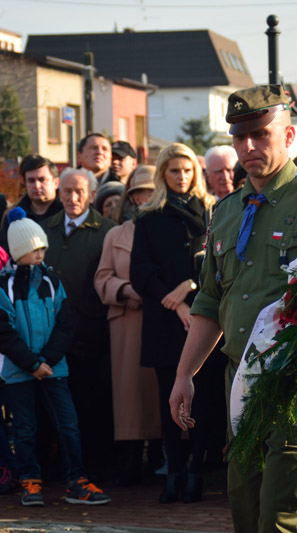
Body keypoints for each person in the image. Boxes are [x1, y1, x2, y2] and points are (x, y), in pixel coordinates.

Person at [168, 85, 297, 532]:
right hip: (241, 386)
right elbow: (211, 301)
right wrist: (184, 375)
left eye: (260, 134)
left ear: (288, 135)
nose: (248, 147)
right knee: (246, 514)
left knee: (285, 516)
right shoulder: (227, 211)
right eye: (239, 137)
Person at [0, 208, 110, 506]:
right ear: (19, 250)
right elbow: (4, 332)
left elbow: (65, 323)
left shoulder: (51, 281)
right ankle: (30, 480)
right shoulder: (4, 286)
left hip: (53, 369)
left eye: (42, 248)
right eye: (34, 248)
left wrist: (46, 360)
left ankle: (77, 480)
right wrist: (32, 363)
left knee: (68, 424)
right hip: (20, 371)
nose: (40, 253)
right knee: (24, 429)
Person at [130, 143, 215, 504]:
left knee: (204, 400)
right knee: (171, 401)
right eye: (173, 171)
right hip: (166, 323)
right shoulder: (149, 219)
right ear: (163, 174)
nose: (181, 177)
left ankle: (196, 472)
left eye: (187, 170)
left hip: (205, 320)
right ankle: (174, 472)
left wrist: (188, 288)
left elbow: (217, 263)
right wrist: (174, 302)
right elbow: (140, 271)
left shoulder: (213, 212)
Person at [42, 168, 116, 479]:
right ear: (58, 192)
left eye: (79, 192)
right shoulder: (45, 230)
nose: (72, 198)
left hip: (92, 333)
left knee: (92, 403)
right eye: (67, 191)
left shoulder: (107, 231)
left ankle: (95, 466)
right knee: (55, 407)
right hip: (51, 338)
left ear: (92, 195)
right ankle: (59, 466)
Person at [94, 166, 161, 487]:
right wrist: (125, 290)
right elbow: (102, 277)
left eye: (149, 191)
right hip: (127, 323)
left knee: (160, 393)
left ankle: (164, 457)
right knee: (130, 399)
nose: (143, 198)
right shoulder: (115, 234)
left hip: (160, 319)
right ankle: (131, 459)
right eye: (138, 192)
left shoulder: (169, 229)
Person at [0, 155, 63, 251]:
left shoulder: (67, 213)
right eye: (31, 181)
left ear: (56, 183)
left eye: (42, 180)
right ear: (24, 183)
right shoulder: (13, 216)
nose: (37, 186)